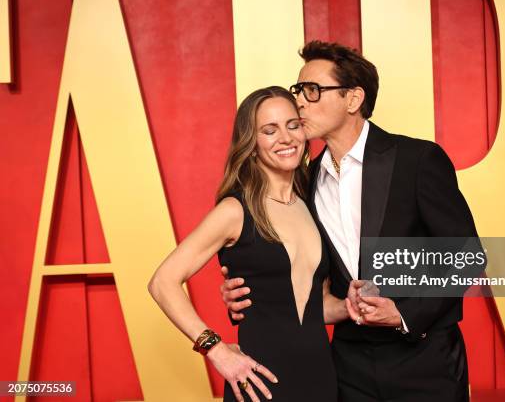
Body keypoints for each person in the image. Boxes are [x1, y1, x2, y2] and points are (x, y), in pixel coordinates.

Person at [221, 41, 478, 402]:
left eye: (313, 91)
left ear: (353, 99)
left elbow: (467, 256)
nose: (300, 102)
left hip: (424, 359)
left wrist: (403, 314)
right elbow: (300, 269)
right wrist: (249, 291)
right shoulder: (304, 182)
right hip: (347, 364)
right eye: (299, 90)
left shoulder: (416, 160)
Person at [148, 86, 343, 402]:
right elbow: (162, 282)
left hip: (321, 378)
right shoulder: (235, 211)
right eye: (269, 130)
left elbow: (315, 307)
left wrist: (354, 306)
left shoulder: (312, 202)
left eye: (292, 125)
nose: (285, 137)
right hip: (260, 381)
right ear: (251, 144)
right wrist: (216, 350)